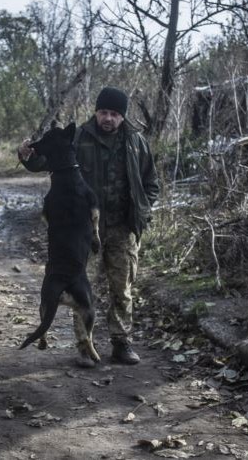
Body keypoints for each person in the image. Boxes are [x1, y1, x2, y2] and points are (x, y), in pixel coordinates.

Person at [18, 87, 159, 367]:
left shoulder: (136, 142)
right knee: (81, 285)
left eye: (115, 114)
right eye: (104, 112)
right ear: (96, 112)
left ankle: (122, 343)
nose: (108, 118)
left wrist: (143, 208)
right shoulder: (78, 137)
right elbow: (44, 160)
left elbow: (151, 182)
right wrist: (26, 156)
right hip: (83, 229)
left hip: (123, 227)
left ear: (122, 116)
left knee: (122, 288)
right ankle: (84, 347)